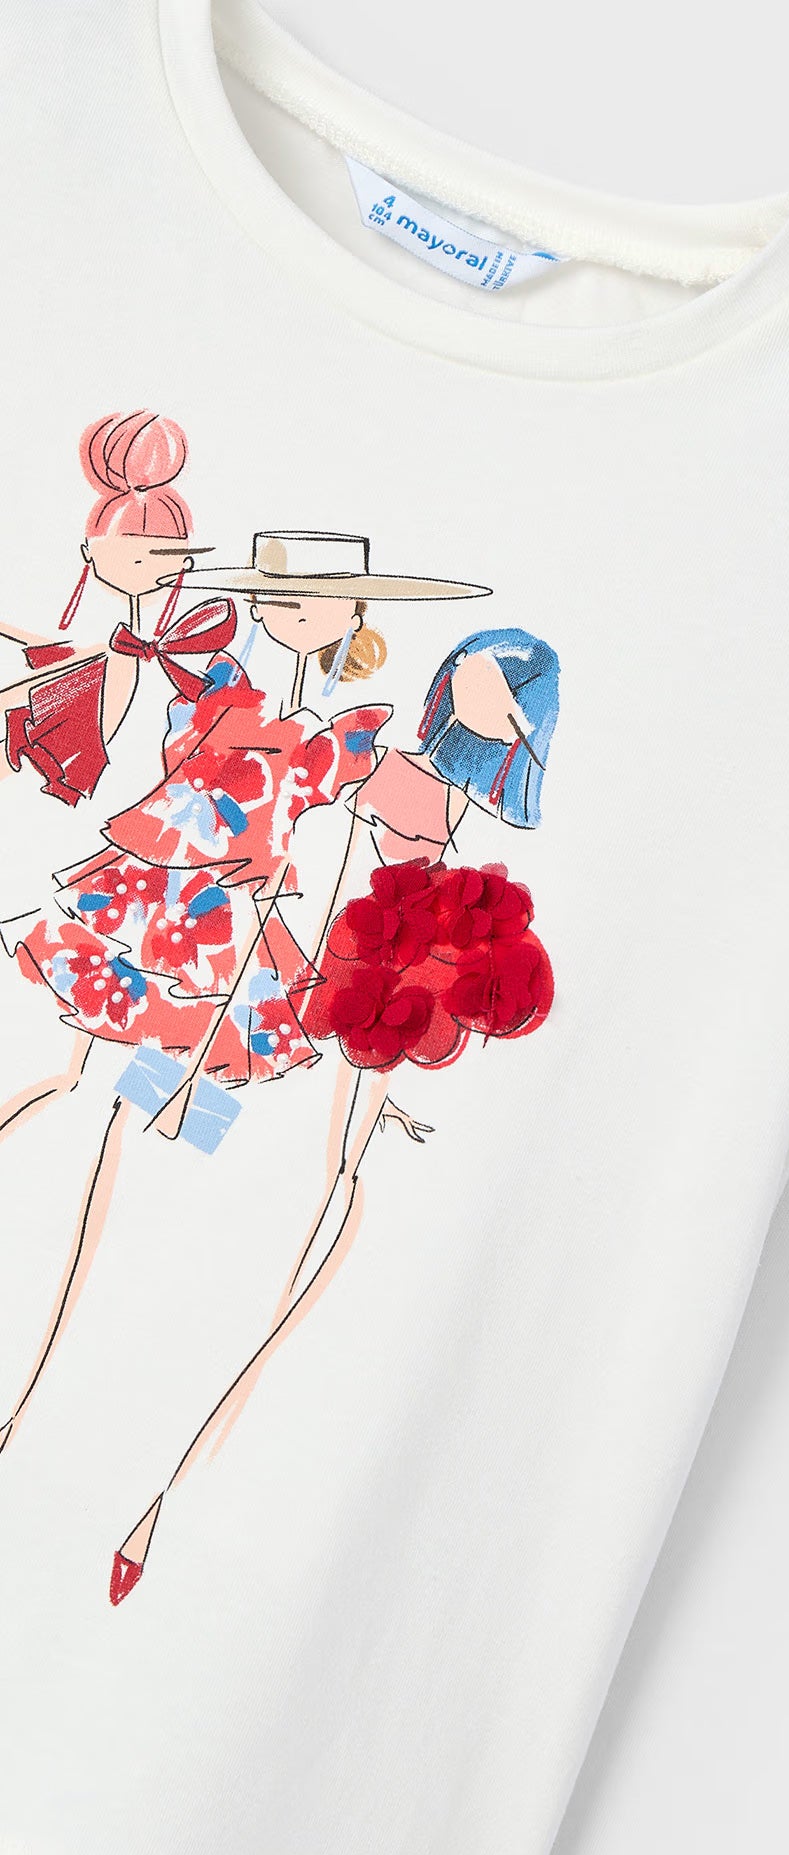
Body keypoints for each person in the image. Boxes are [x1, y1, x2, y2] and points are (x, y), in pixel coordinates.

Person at [0, 530, 487, 1485]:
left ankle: (67, 1379)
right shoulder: (219, 685)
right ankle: (35, 1381)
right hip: (158, 925)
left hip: (233, 965)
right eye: (278, 596)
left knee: (162, 1145)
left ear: (354, 613)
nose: (291, 612)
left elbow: (417, 829)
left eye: (316, 598)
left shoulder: (345, 738)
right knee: (101, 1113)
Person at [0, 410, 234, 806]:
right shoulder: (103, 650)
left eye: (156, 555)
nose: (140, 565)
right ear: (87, 554)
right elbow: (58, 657)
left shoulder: (165, 645)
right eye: (127, 555)